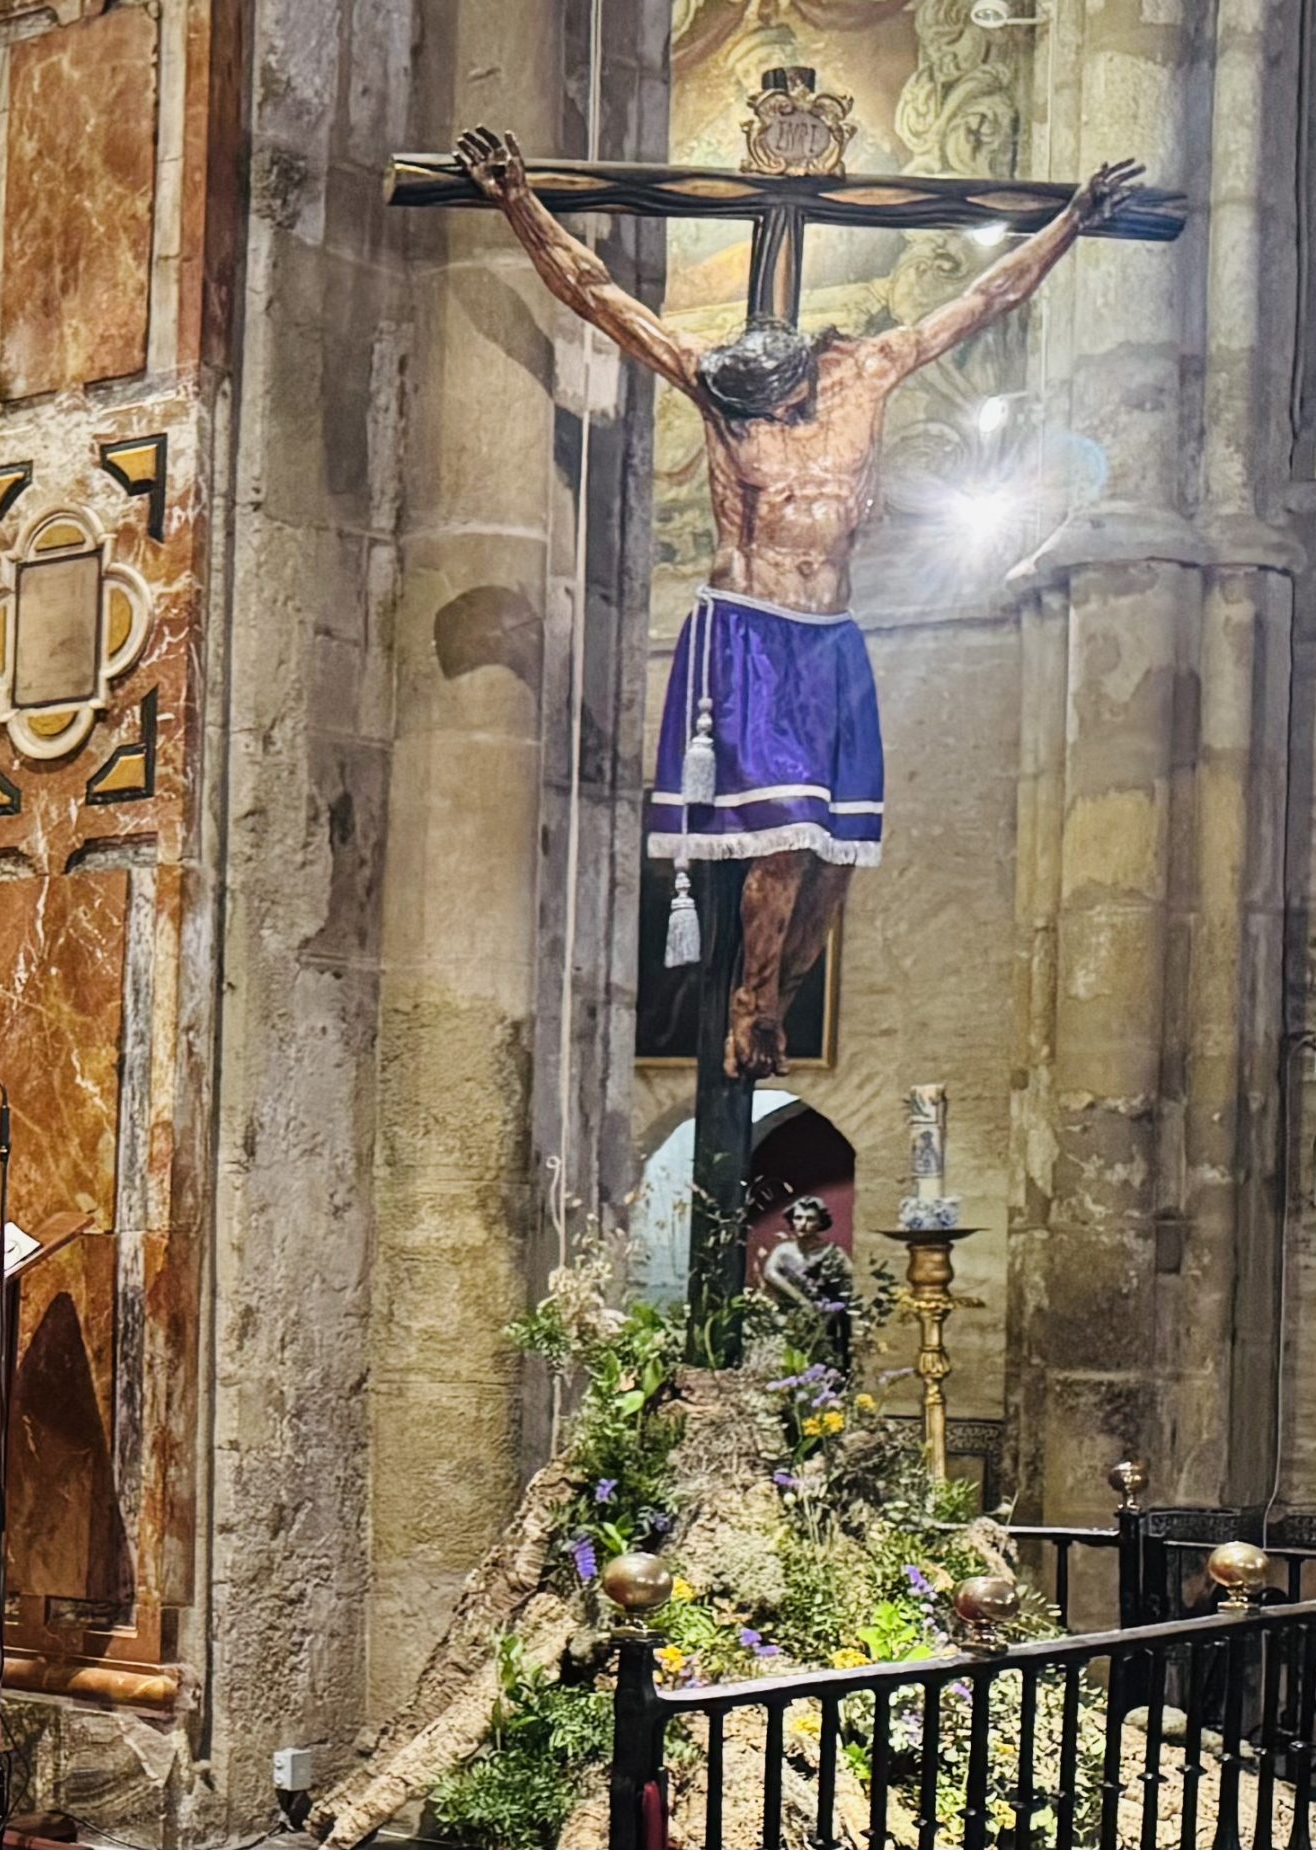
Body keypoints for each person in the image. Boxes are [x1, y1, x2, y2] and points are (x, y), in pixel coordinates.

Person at [456, 125, 1145, 1077]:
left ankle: (778, 997)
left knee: (838, 848)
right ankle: (749, 1006)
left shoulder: (868, 371)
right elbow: (599, 295)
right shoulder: (715, 384)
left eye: (769, 414)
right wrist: (519, 203)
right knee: (782, 838)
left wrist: (1071, 222)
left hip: (831, 639)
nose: (755, 429)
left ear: (802, 387)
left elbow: (987, 296)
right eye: (741, 418)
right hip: (747, 632)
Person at [760, 1195, 854, 1360]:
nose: (803, 1224)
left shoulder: (832, 1252)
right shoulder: (783, 1250)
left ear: (820, 1223)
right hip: (790, 1317)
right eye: (798, 1218)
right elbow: (770, 1273)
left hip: (823, 1320)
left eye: (810, 1219)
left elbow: (853, 1276)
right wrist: (801, 1300)